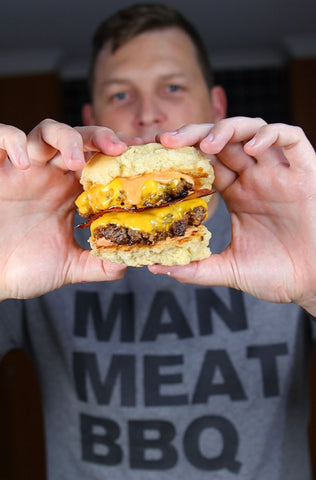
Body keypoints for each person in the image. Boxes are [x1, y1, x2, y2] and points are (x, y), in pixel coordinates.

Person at [0, 4, 316, 480]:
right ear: (92, 117)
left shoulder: (290, 233)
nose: (147, 112)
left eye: (172, 86)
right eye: (120, 92)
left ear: (217, 108)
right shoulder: (45, 239)